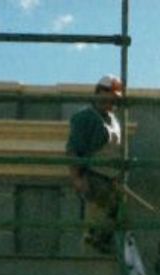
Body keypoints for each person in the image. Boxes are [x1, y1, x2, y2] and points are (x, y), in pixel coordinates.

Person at [66, 75, 124, 252]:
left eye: (115, 98)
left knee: (113, 215)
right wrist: (77, 178)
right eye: (109, 96)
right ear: (99, 92)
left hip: (112, 179)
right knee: (96, 218)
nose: (112, 101)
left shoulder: (113, 120)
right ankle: (92, 247)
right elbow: (74, 149)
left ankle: (102, 243)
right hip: (95, 176)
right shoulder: (86, 118)